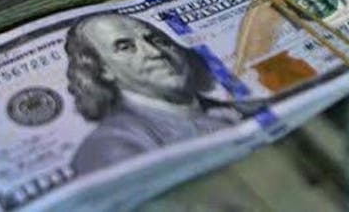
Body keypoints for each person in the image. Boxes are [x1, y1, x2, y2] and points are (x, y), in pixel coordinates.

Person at [64, 13, 239, 177]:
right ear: (102, 70)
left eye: (157, 40)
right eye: (125, 47)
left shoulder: (241, 108)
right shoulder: (109, 144)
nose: (155, 52)